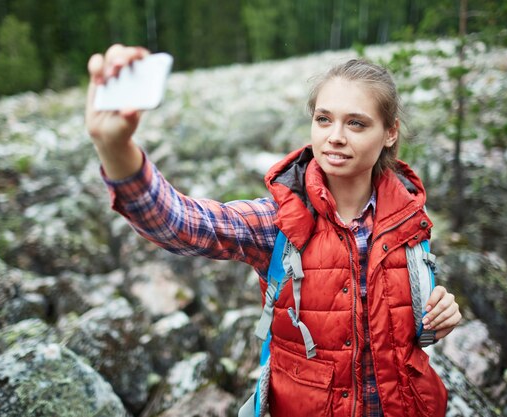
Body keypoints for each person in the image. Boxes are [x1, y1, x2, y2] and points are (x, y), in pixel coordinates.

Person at [85, 44, 462, 417]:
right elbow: (181, 224)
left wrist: (436, 316)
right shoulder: (280, 222)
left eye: (356, 123)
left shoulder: (410, 215)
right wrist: (116, 148)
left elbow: (407, 333)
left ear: (390, 132)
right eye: (324, 119)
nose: (335, 136)